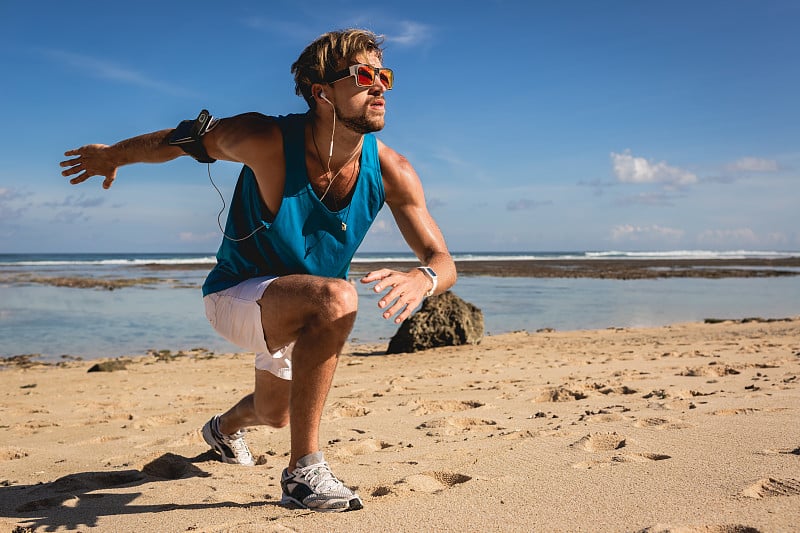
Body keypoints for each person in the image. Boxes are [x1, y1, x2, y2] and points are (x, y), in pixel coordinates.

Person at [60, 28, 456, 513]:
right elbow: (183, 139)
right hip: (235, 295)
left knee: (275, 413)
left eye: (385, 77)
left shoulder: (393, 169)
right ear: (322, 92)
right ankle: (303, 474)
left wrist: (424, 278)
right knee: (337, 297)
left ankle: (222, 430)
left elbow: (442, 260)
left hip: (300, 307)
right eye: (364, 76)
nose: (380, 88)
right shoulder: (265, 138)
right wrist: (112, 154)